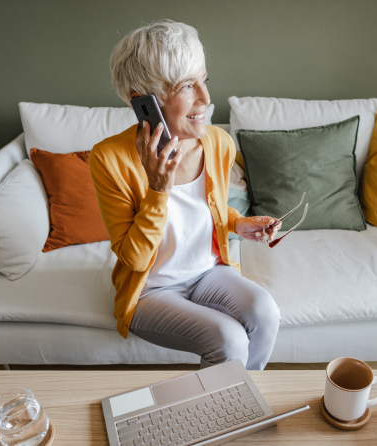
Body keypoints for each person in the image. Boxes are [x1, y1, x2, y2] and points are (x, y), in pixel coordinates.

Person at [89, 20, 281, 370]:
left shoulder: (219, 143)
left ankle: (241, 406)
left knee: (266, 312)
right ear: (142, 101)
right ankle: (225, 414)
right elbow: (132, 258)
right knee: (229, 338)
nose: (206, 99)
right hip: (151, 291)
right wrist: (158, 188)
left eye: (204, 80)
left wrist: (238, 225)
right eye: (187, 86)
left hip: (208, 274)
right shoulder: (109, 158)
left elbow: (207, 212)